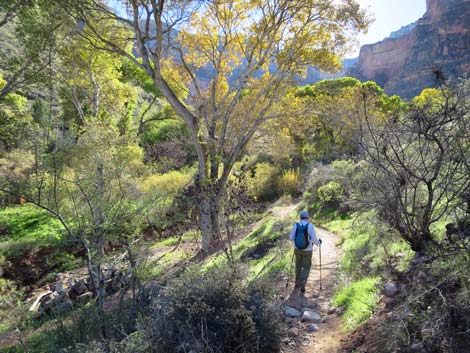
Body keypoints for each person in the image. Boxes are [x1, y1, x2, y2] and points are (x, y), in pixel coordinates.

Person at [289, 210, 321, 293]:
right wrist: (319, 243)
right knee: (306, 267)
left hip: (297, 249)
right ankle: (302, 283)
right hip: (307, 250)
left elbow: (291, 238)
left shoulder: (296, 225)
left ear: (300, 217)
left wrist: (297, 242)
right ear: (307, 218)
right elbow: (314, 239)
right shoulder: (310, 226)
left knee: (298, 266)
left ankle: (297, 282)